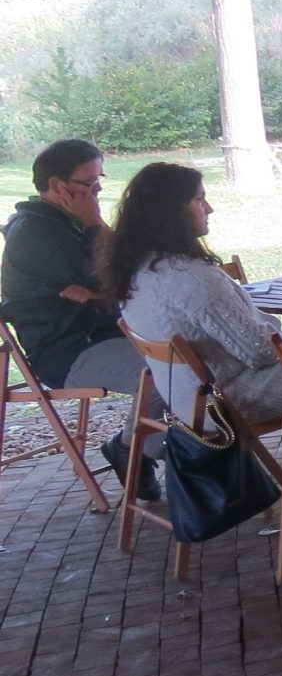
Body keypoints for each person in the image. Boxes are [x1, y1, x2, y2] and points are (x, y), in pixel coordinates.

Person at [1, 140, 160, 482]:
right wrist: (93, 227)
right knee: (167, 373)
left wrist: (100, 285)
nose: (98, 189)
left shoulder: (65, 223)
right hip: (70, 353)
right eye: (89, 183)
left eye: (99, 180)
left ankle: (148, 449)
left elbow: (131, 267)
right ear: (59, 186)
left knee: (192, 358)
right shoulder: (34, 234)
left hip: (110, 334)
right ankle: (138, 450)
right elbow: (117, 274)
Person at [106, 163, 282, 428]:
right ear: (170, 212)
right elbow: (261, 352)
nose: (209, 209)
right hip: (230, 403)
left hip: (186, 402)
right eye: (199, 199)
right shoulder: (190, 277)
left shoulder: (136, 270)